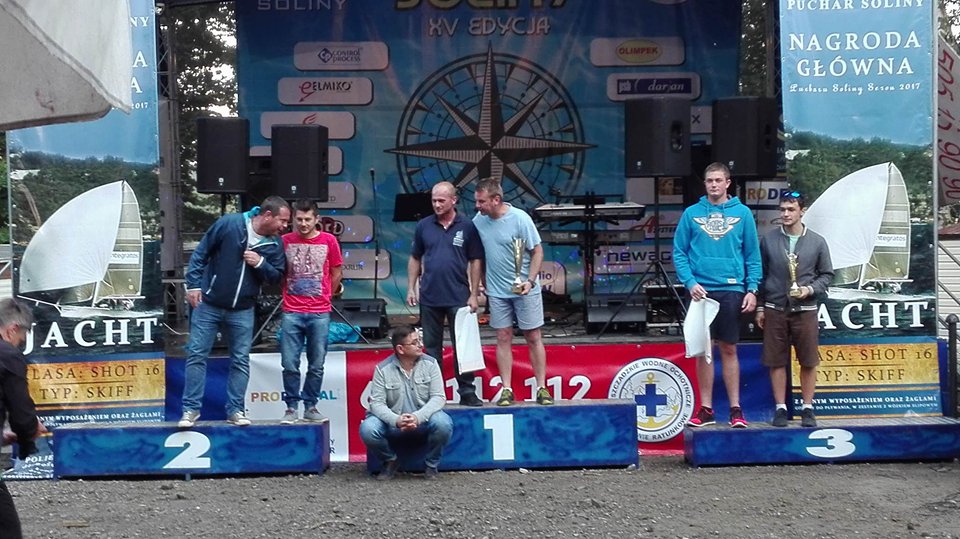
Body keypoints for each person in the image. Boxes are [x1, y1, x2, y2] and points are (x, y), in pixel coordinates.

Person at [179, 196, 290, 428]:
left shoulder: (274, 244)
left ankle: (236, 410)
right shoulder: (230, 223)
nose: (285, 226)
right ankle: (190, 410)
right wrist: (193, 285)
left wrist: (260, 263)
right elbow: (201, 253)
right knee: (197, 355)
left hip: (243, 308)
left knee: (240, 360)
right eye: (282, 220)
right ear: (267, 215)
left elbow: (277, 277)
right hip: (209, 303)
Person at [673, 162, 761, 428]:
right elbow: (679, 252)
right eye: (709, 180)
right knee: (704, 351)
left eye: (718, 180)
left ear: (728, 183)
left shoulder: (743, 214)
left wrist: (752, 289)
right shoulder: (691, 213)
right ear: (705, 184)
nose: (713, 185)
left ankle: (735, 409)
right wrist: (690, 283)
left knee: (729, 348)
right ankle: (706, 409)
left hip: (732, 288)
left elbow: (752, 255)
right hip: (700, 292)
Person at [472, 178, 553, 407]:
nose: (477, 206)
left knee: (533, 336)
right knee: (502, 337)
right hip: (497, 292)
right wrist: (479, 284)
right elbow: (477, 256)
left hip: (525, 289)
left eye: (481, 201)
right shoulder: (478, 221)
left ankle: (542, 387)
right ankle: (506, 388)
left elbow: (537, 251)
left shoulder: (520, 218)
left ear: (496, 200)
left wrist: (530, 281)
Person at [756, 191, 833, 428]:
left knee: (808, 360)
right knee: (776, 360)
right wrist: (760, 307)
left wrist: (810, 289)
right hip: (775, 307)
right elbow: (761, 275)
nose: (786, 214)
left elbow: (827, 275)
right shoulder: (768, 240)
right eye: (782, 210)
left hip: (806, 308)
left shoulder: (817, 241)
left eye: (791, 209)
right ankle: (780, 408)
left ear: (802, 211)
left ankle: (807, 408)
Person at [407, 182, 484, 407]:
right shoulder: (423, 226)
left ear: (453, 200)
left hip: (459, 296)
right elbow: (415, 257)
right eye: (434, 200)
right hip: (430, 296)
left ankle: (467, 392)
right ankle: (435, 395)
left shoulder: (467, 226)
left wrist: (474, 293)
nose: (437, 205)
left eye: (441, 200)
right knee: (431, 349)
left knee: (463, 348)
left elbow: (476, 260)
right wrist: (411, 287)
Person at [359, 325, 453, 480]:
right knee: (368, 429)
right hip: (392, 422)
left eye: (420, 340)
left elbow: (438, 397)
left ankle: (431, 465)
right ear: (400, 349)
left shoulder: (431, 364)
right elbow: (376, 404)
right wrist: (396, 420)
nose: (420, 345)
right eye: (415, 343)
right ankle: (390, 460)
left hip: (423, 419)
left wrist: (417, 417)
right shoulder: (382, 369)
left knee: (443, 423)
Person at [279, 199, 343, 424]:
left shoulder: (329, 240)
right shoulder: (285, 241)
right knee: (289, 363)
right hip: (291, 311)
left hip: (319, 312)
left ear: (317, 219)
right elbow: (278, 270)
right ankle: (291, 407)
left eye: (308, 219)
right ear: (293, 219)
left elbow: (336, 272)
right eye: (299, 219)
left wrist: (327, 296)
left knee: (317, 364)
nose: (303, 224)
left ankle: (311, 406)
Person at [0, 299, 47, 538]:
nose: (19, 344)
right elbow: (22, 414)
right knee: (7, 529)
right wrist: (29, 433)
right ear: (12, 330)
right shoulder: (8, 355)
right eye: (21, 339)